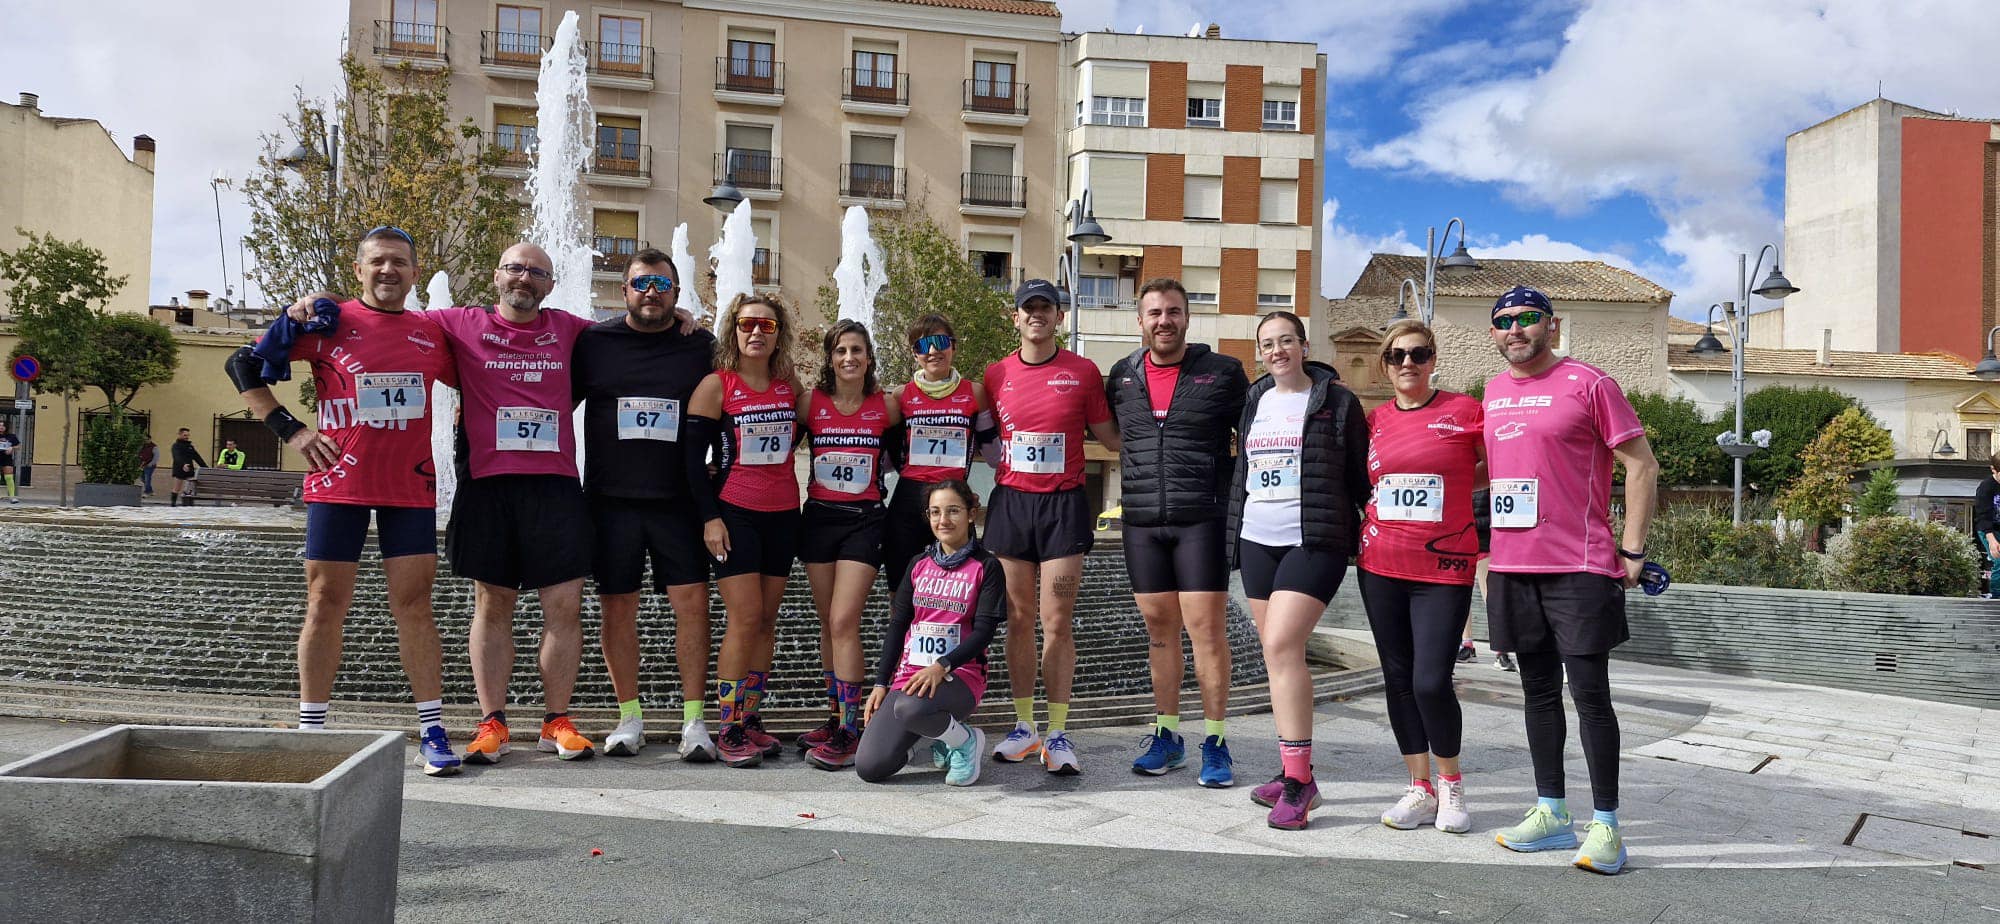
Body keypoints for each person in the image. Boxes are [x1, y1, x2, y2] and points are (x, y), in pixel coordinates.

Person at [225, 224, 462, 776]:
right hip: (340, 483)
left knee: (416, 606)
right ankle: (311, 732)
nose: (388, 271)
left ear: (414, 272)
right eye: (377, 261)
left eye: (399, 263)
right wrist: (292, 430)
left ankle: (431, 729)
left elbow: (480, 378)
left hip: (409, 486)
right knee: (325, 602)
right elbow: (243, 365)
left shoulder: (431, 333)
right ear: (358, 270)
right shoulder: (326, 322)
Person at [1482, 286, 1660, 875]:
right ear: (1494, 333)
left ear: (1552, 327)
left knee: (1590, 698)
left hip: (1579, 566)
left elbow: (1641, 464)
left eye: (1527, 319)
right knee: (1536, 694)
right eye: (1504, 321)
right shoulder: (1493, 391)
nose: (1516, 329)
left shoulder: (1591, 383)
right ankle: (1551, 812)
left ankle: (1607, 825)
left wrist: (1632, 548)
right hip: (1512, 566)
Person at [428, 243, 600, 764]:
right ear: (497, 276)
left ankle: (556, 721)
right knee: (492, 603)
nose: (524, 278)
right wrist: (319, 304)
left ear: (549, 285)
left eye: (537, 273)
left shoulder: (572, 329)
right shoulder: (457, 323)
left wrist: (681, 314)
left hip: (554, 487)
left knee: (564, 606)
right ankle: (493, 721)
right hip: (489, 485)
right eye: (515, 269)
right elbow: (382, 320)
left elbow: (636, 336)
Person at [571, 249, 718, 760]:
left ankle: (694, 722)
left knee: (693, 609)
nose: (651, 292)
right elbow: (548, 392)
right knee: (618, 609)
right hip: (611, 503)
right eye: (641, 283)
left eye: (662, 284)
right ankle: (628, 717)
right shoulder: (593, 342)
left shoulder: (699, 344)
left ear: (677, 294)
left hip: (679, 502)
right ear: (623, 290)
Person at [1226, 311, 1368, 830]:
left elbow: (1359, 473)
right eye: (1268, 343)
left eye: (1287, 340)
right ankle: (1293, 769)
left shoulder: (1337, 401)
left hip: (1313, 539)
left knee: (1283, 647)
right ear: (1259, 351)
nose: (1277, 350)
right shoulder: (1254, 400)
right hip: (1258, 539)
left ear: (1304, 346)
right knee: (1276, 657)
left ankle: (1300, 782)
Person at [1104, 278, 1246, 787]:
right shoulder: (1122, 376)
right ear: (1139, 321)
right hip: (1141, 521)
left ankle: (1215, 740)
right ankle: (1167, 734)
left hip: (1200, 520)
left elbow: (1250, 435)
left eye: (1173, 312)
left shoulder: (1222, 373)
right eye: (1154, 313)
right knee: (1159, 633)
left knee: (1206, 632)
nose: (1164, 321)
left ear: (1188, 318)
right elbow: (1112, 435)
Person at [983, 279, 1121, 775]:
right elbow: (975, 432)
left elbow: (1112, 437)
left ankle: (1058, 734)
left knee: (1056, 622)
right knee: (1017, 620)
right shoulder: (995, 374)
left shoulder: (1083, 372)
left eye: (1046, 307)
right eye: (1028, 308)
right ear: (1015, 317)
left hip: (1063, 506)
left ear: (1059, 318)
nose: (1036, 315)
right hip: (1012, 504)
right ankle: (1024, 727)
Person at [1358, 319, 1484, 834]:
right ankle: (1420, 787)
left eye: (1418, 353)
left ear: (1433, 360)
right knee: (1398, 680)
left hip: (1444, 566)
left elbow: (1493, 467)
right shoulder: (1375, 420)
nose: (1407, 363)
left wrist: (1453, 485)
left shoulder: (1465, 411)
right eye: (1396, 356)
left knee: (1431, 681)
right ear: (1386, 365)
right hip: (1380, 563)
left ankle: (1452, 784)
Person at [685, 294, 801, 768]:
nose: (756, 332)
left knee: (767, 622)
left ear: (779, 334)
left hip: (784, 512)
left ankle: (750, 717)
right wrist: (709, 517)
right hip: (736, 514)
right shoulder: (717, 385)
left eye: (767, 326)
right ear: (733, 330)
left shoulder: (789, 385)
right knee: (744, 617)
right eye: (748, 324)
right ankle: (728, 725)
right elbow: (692, 461)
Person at [797, 320, 901, 771]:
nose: (849, 358)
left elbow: (925, 439)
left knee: (844, 619)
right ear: (830, 358)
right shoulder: (810, 403)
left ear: (869, 358)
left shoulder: (887, 406)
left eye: (857, 350)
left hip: (864, 521)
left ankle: (852, 728)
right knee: (827, 623)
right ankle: (835, 714)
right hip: (819, 518)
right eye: (840, 351)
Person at [856, 479, 1005, 786]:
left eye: (953, 511)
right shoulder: (918, 564)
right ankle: (938, 737)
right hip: (910, 676)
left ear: (970, 514)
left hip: (959, 676)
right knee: (870, 767)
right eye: (935, 512)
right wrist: (881, 683)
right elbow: (898, 626)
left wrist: (942, 665)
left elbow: (984, 632)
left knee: (912, 707)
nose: (943, 520)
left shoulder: (986, 566)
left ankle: (965, 741)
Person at [880, 315, 991, 593]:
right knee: (902, 594)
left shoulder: (975, 393)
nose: (932, 351)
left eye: (940, 342)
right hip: (908, 501)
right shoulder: (900, 396)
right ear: (914, 353)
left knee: (957, 591)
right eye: (922, 345)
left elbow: (994, 455)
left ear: (953, 346)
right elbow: (887, 461)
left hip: (953, 499)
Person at [1974, 456, 2000, 598]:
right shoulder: (1986, 487)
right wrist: (1991, 541)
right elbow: (1983, 516)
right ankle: (1997, 596)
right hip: (1988, 529)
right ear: (1993, 470)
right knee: (1999, 560)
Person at [169, 428, 206, 506]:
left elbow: (197, 457)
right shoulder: (176, 446)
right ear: (179, 434)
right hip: (179, 468)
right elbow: (176, 457)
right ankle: (173, 504)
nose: (187, 437)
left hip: (190, 469)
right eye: (185, 435)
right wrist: (183, 464)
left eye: (188, 435)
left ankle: (187, 503)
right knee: (177, 487)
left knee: (190, 487)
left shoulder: (190, 446)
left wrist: (205, 467)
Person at [0, 420, 20, 504]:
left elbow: (18, 446)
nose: (1, 427)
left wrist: (12, 448)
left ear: (6, 427)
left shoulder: (11, 436)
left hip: (7, 458)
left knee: (9, 477)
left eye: (3, 426)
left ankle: (12, 497)